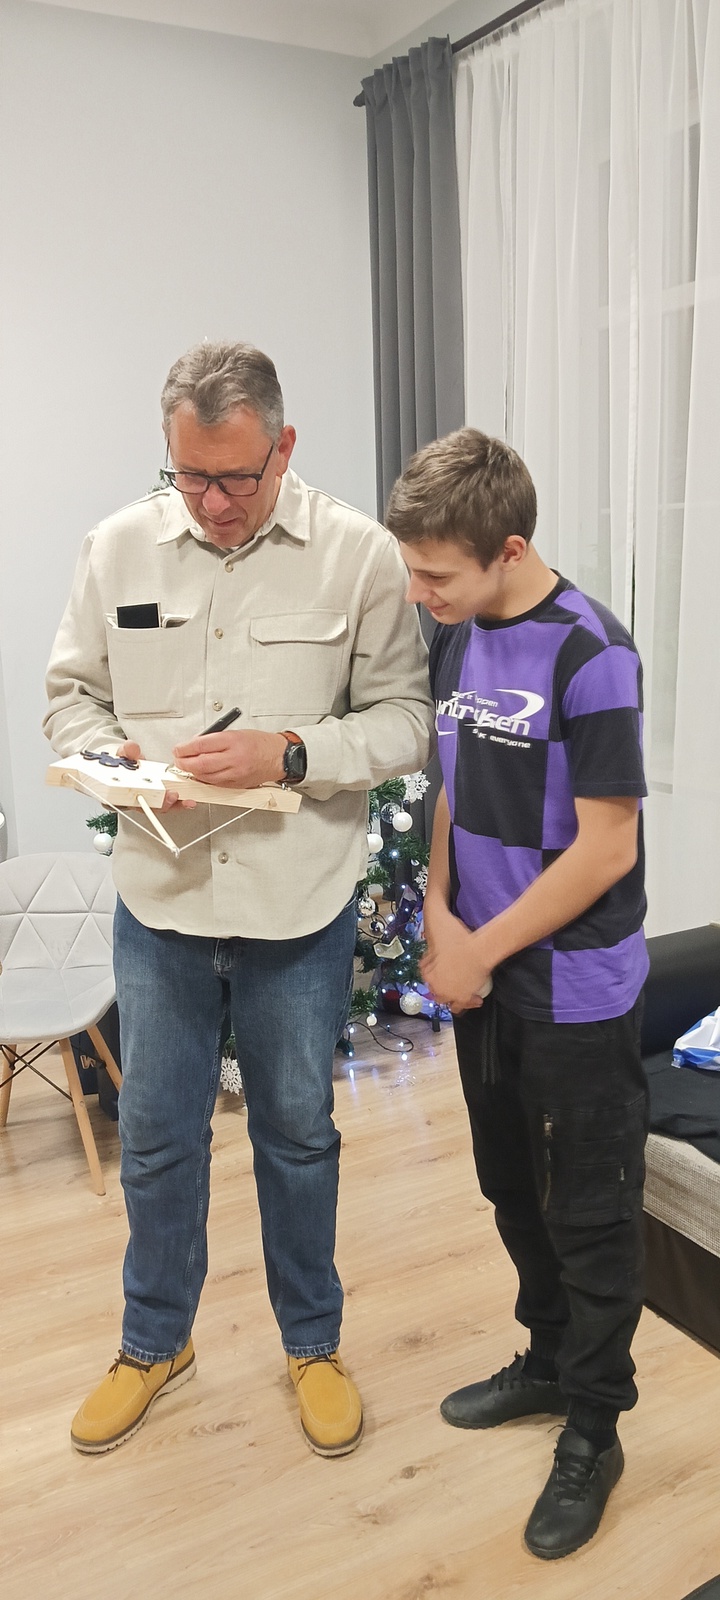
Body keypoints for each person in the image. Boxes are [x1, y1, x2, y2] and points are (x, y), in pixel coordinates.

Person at [45, 340, 434, 1459]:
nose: (213, 503)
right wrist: (106, 753)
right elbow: (70, 695)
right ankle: (154, 1343)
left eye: (236, 478)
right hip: (160, 904)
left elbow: (407, 722)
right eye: (191, 477)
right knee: (156, 1140)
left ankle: (312, 1343)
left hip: (297, 911)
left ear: (284, 446)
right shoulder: (117, 546)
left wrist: (294, 750)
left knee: (298, 1137)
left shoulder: (358, 555)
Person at [385, 428, 648, 1560]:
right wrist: (441, 913)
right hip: (483, 969)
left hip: (573, 984)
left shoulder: (593, 653)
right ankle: (546, 1359)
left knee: (589, 1212)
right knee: (509, 1188)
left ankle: (596, 1425)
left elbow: (607, 848)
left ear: (509, 548)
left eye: (436, 573)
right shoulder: (460, 632)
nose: (419, 592)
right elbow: (451, 783)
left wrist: (480, 949)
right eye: (413, 569)